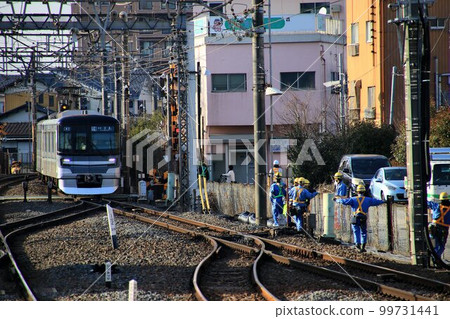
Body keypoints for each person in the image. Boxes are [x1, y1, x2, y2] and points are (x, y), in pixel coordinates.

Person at [335, 184, 384, 252]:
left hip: (355, 218)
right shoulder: (368, 200)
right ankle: (363, 246)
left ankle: (357, 244)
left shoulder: (353, 199)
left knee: (356, 231)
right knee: (363, 232)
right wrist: (384, 200)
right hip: (363, 217)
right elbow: (377, 202)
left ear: (357, 192)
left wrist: (337, 200)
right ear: (364, 191)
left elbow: (344, 201)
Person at [427, 192, 450, 261]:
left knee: (434, 245)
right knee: (441, 246)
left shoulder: (436, 206)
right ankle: (436, 259)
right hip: (444, 229)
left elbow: (427, 203)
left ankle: (434, 259)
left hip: (433, 227)